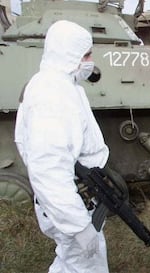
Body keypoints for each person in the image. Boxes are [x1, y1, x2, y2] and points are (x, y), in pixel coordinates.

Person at [14, 20, 110, 272]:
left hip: (79, 195)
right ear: (70, 55)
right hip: (70, 202)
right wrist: (78, 225)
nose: (91, 60)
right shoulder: (52, 95)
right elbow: (48, 169)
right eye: (86, 54)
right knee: (84, 267)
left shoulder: (61, 85)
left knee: (70, 264)